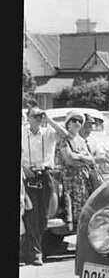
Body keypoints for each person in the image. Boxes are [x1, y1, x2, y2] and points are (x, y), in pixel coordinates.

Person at [20, 108, 65, 266]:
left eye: (41, 116)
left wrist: (50, 119)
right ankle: (34, 254)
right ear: (28, 117)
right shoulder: (23, 133)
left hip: (45, 175)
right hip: (28, 176)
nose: (39, 118)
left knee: (43, 217)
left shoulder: (48, 133)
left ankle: (30, 252)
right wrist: (23, 168)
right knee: (31, 215)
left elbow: (66, 135)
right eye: (35, 116)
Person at [58, 114, 99, 229]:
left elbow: (91, 159)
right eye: (74, 120)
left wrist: (80, 157)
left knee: (85, 211)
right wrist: (83, 158)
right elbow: (69, 159)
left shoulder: (81, 140)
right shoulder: (64, 140)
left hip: (83, 180)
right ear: (68, 123)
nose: (77, 123)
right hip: (70, 180)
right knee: (73, 212)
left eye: (80, 121)